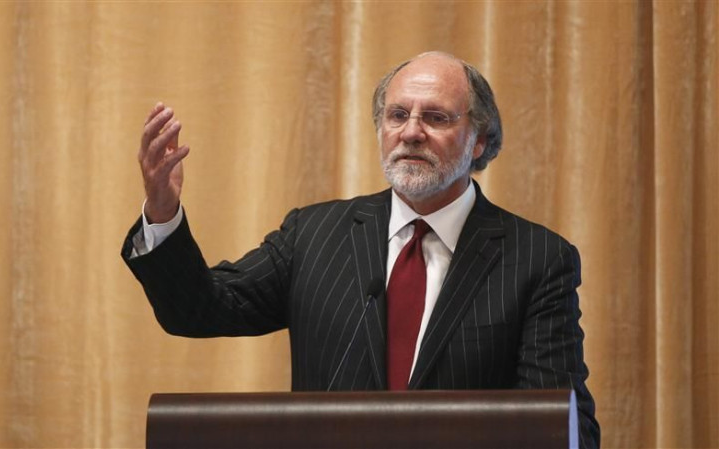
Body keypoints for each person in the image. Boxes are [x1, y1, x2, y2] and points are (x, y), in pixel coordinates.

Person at [122, 51, 600, 448]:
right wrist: (163, 211)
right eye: (397, 115)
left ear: (478, 141)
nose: (411, 132)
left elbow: (560, 423)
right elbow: (199, 310)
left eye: (435, 117)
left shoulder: (537, 259)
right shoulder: (314, 234)